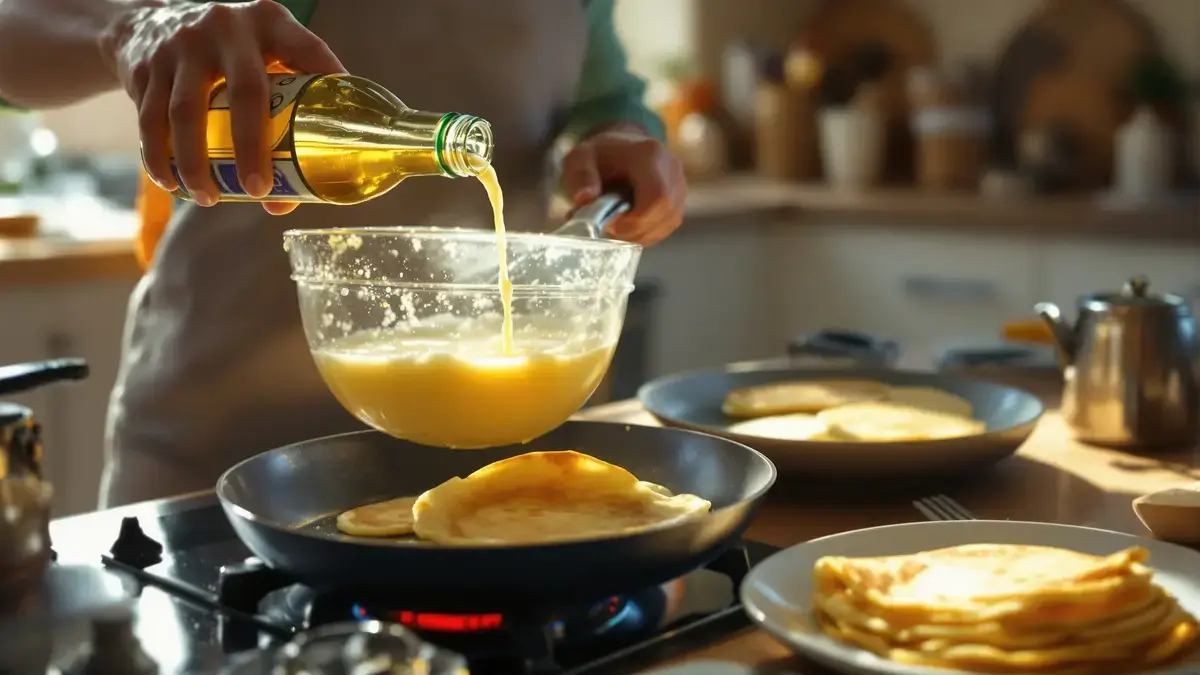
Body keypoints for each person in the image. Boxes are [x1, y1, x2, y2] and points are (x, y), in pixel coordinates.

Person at [0, 0, 687, 507]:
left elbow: (607, 97)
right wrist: (132, 26)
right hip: (227, 466)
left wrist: (623, 137)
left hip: (493, 467)